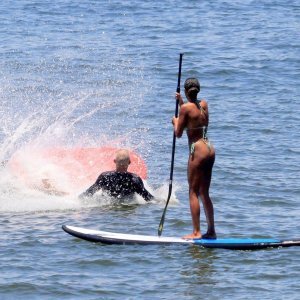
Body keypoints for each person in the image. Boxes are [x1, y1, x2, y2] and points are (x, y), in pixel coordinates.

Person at [172, 78, 216, 239]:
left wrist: (175, 121)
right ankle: (211, 231)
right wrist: (181, 103)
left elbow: (178, 133)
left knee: (193, 192)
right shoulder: (203, 104)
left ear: (185, 90)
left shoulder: (185, 109)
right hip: (209, 148)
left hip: (197, 150)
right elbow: (194, 115)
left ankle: (196, 232)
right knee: (204, 192)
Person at [79, 149, 153, 201]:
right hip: (127, 206)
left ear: (114, 161)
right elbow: (149, 199)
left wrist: (74, 198)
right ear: (129, 162)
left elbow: (89, 193)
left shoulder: (105, 177)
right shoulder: (135, 180)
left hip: (108, 208)